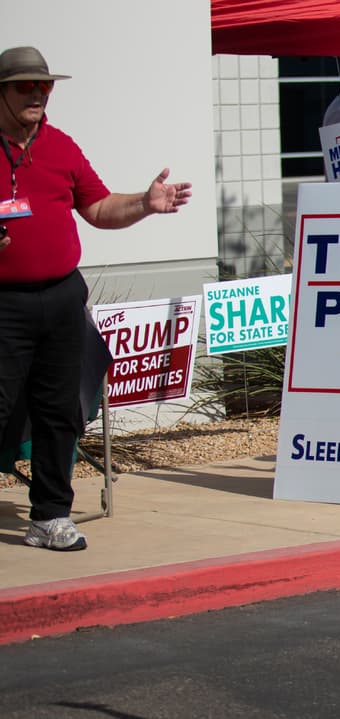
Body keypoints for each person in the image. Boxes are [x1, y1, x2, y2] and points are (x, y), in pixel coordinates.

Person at [0, 46, 192, 551]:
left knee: (60, 408)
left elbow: (100, 206)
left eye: (44, 86)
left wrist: (145, 205)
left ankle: (49, 517)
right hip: (4, 303)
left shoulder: (60, 146)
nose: (37, 95)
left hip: (62, 297)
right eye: (25, 86)